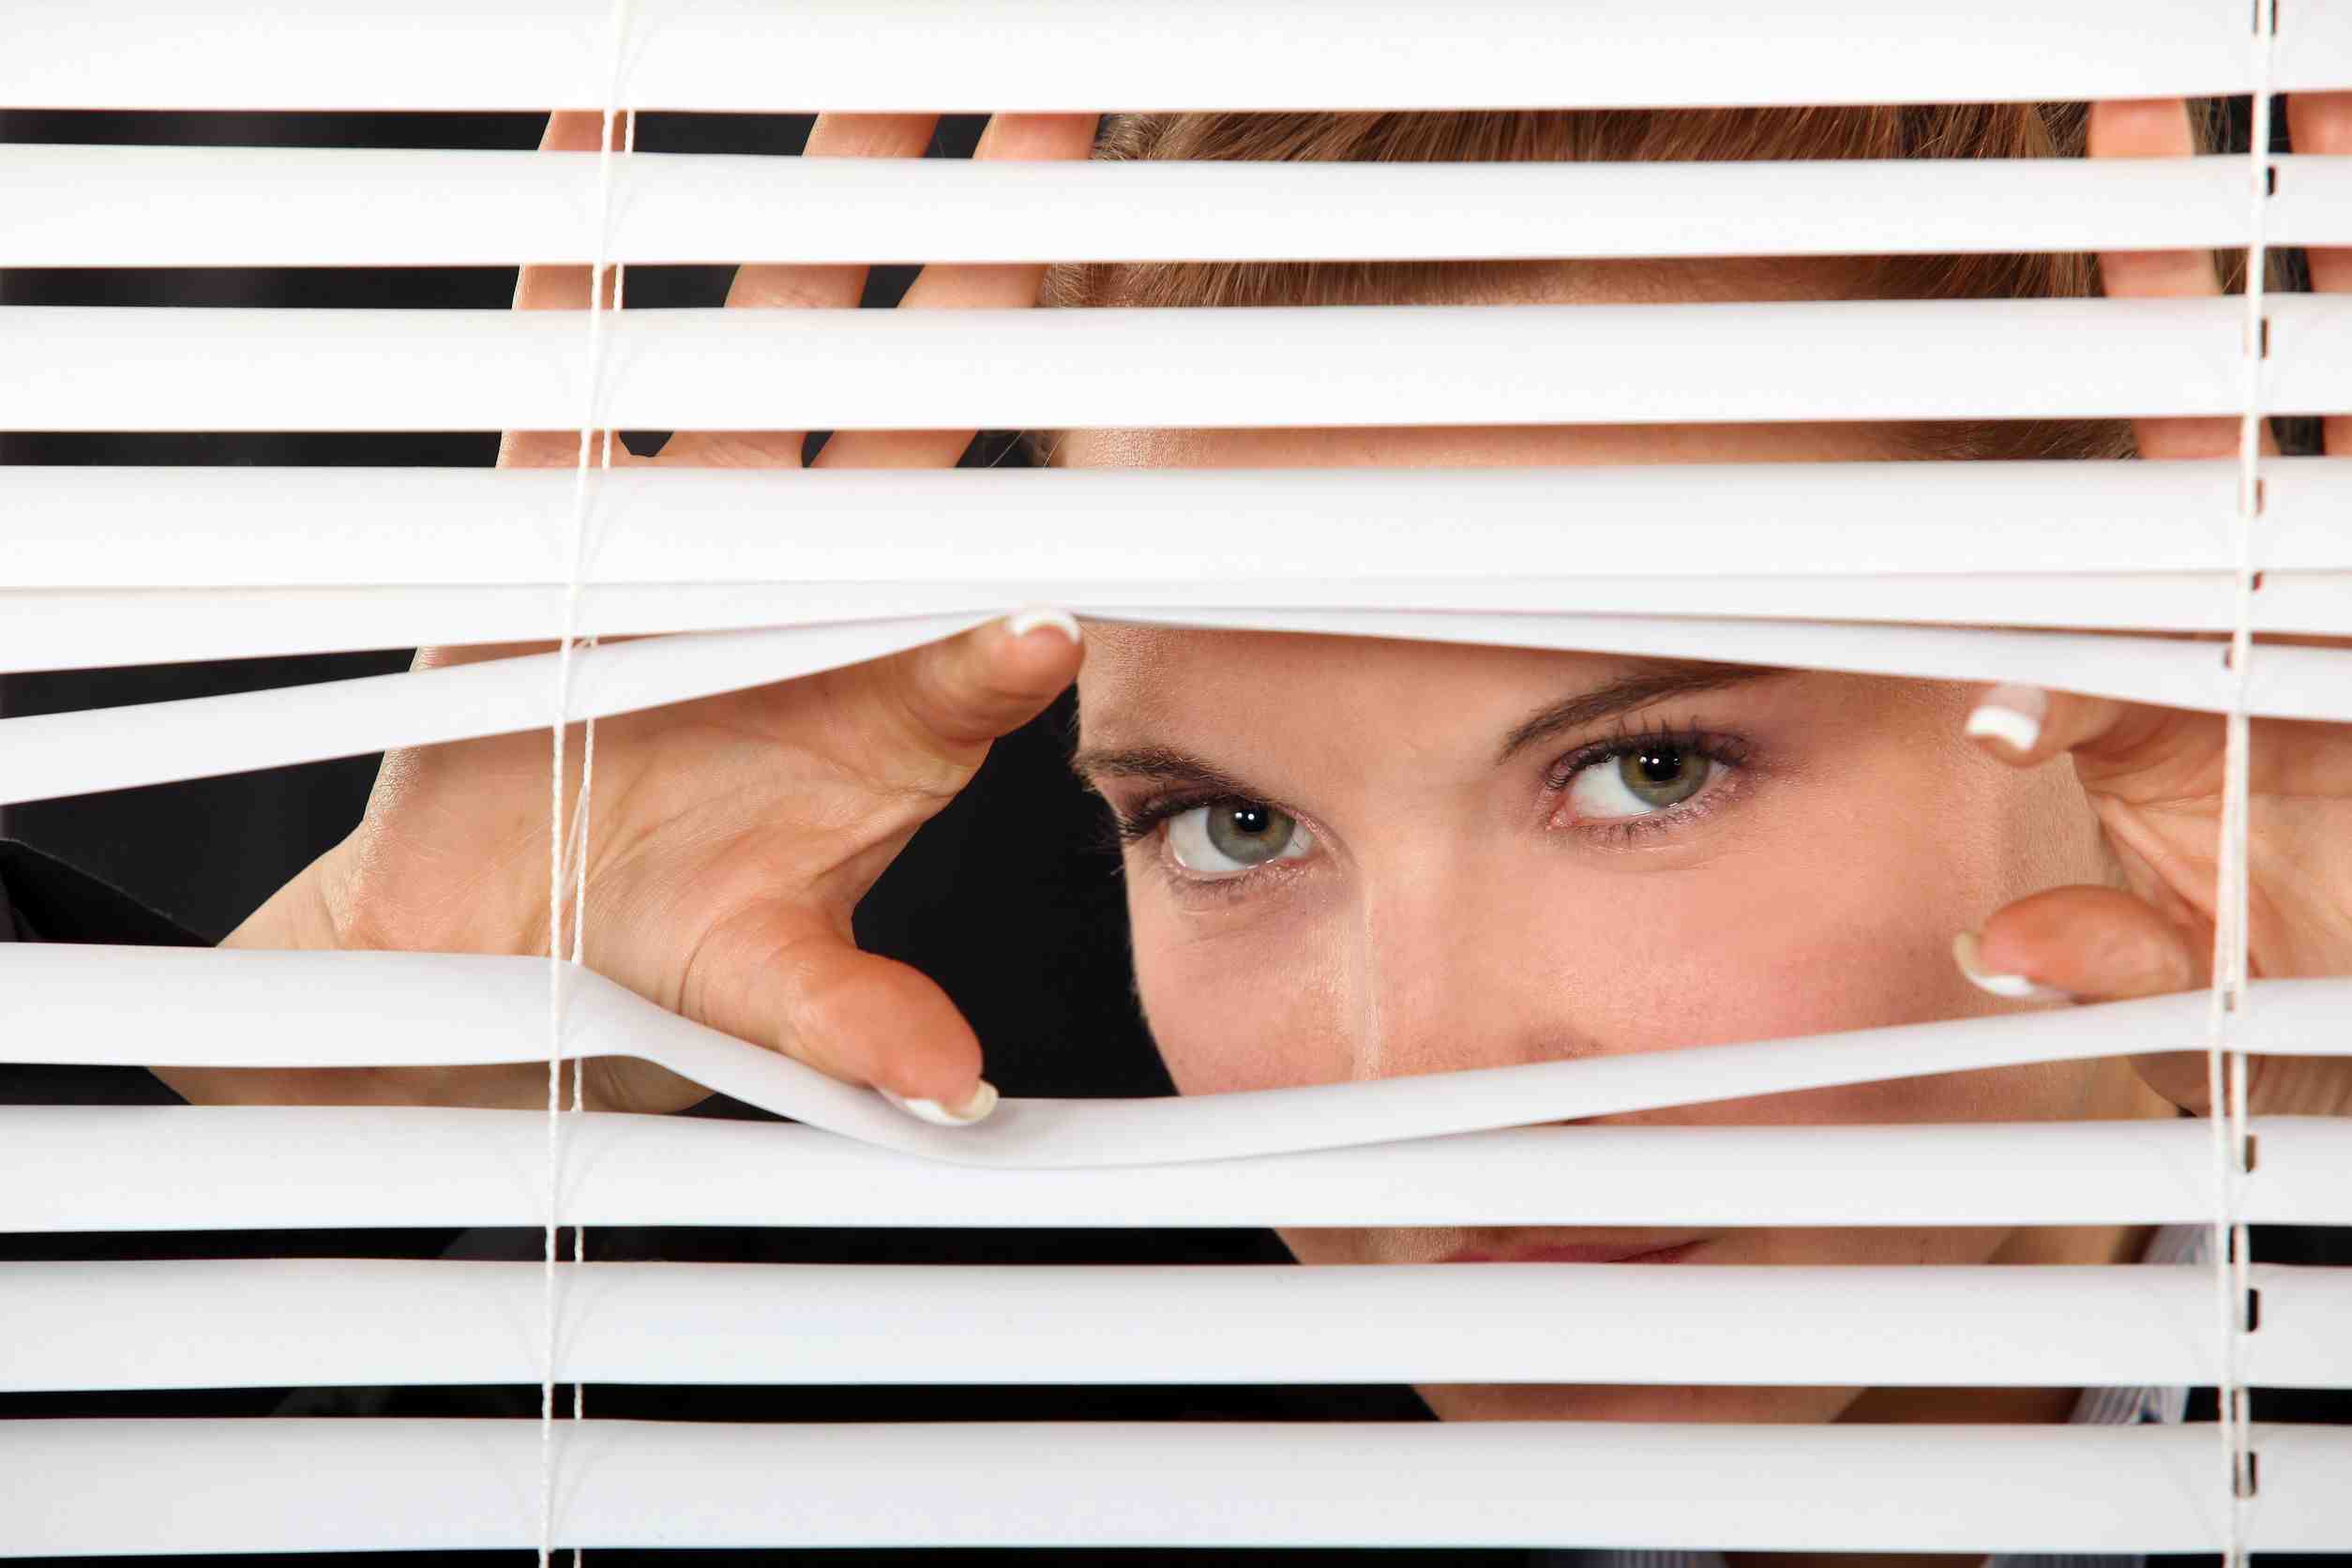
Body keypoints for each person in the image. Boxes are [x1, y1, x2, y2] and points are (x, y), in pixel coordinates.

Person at [48, 87, 2350, 1556]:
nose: (1415, 1074)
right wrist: (344, 1055)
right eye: (1234, 823)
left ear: (2145, 691)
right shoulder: (816, 1469)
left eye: (1647, 769)